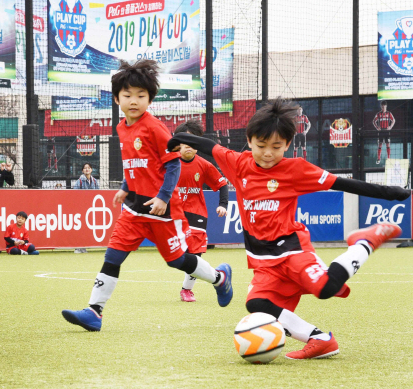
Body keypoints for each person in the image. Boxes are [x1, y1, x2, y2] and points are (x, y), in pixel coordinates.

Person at [168, 98, 410, 359]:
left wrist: (392, 193)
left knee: (325, 289)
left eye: (277, 146)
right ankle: (319, 339)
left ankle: (364, 242)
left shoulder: (295, 169)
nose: (268, 153)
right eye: (261, 145)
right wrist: (177, 139)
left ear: (288, 145)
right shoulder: (238, 164)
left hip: (291, 248)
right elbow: (209, 146)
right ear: (249, 141)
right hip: (262, 259)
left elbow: (341, 183)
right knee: (256, 304)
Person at [61, 60, 233, 332]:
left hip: (161, 211)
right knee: (113, 256)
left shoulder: (154, 128)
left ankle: (219, 278)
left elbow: (173, 163)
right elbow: (136, 163)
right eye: (127, 95)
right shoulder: (121, 128)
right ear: (117, 97)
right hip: (133, 209)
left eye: (141, 95)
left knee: (176, 260)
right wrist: (125, 187)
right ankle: (94, 312)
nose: (134, 100)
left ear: (150, 99)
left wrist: (164, 198)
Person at [174, 120, 229, 303]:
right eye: (185, 141)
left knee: (194, 254)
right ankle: (218, 276)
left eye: (194, 141)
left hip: (197, 214)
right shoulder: (170, 164)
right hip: (174, 214)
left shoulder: (204, 165)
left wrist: (223, 204)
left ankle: (186, 290)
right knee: (178, 257)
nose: (189, 146)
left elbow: (222, 185)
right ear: (178, 144)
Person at [373, 100, 395, 164]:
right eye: (382, 107)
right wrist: (377, 127)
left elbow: (393, 120)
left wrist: (390, 127)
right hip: (381, 131)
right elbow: (374, 121)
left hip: (387, 131)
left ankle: (388, 158)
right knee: (380, 144)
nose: (383, 108)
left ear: (386, 106)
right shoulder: (378, 114)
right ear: (381, 107)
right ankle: (378, 158)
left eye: (384, 107)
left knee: (388, 144)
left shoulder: (389, 113)